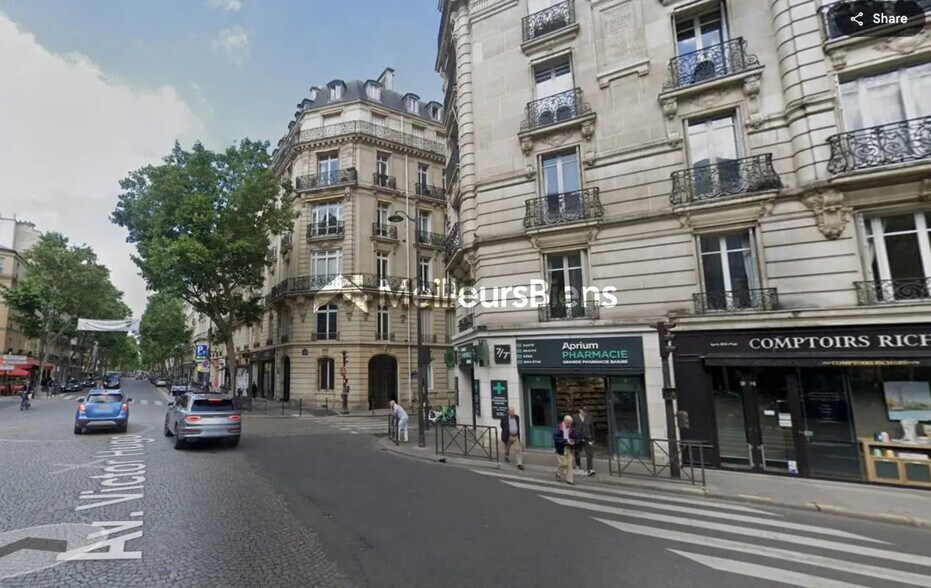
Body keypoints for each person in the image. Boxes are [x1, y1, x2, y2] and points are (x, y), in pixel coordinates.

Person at [554, 415, 577, 485]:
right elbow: (556, 438)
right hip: (561, 448)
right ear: (565, 421)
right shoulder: (558, 427)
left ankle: (570, 480)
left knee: (570, 464)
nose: (569, 425)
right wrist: (566, 441)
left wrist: (573, 441)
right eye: (568, 423)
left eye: (570, 423)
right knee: (564, 463)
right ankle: (558, 472)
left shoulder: (572, 428)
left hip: (569, 448)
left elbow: (575, 437)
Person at [573, 407, 596, 476]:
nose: (585, 413)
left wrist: (593, 439)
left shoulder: (589, 419)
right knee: (577, 452)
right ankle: (578, 465)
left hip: (587, 438)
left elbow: (592, 429)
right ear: (580, 410)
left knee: (589, 453)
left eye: (586, 412)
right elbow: (572, 428)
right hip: (578, 438)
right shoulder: (575, 418)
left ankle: (590, 469)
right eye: (584, 411)